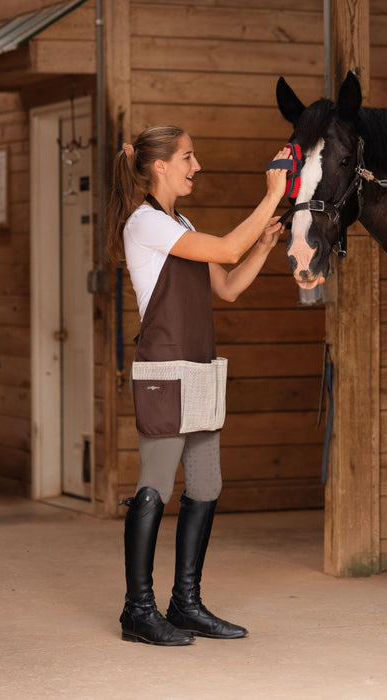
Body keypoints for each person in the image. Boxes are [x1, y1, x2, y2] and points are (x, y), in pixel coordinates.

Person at [106, 126, 290, 646]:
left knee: (206, 488)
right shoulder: (144, 224)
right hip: (166, 373)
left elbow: (227, 284)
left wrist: (265, 245)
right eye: (188, 157)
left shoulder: (178, 222)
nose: (197, 165)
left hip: (199, 371)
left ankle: (185, 604)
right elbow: (228, 249)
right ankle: (136, 611)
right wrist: (271, 195)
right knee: (155, 489)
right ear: (160, 165)